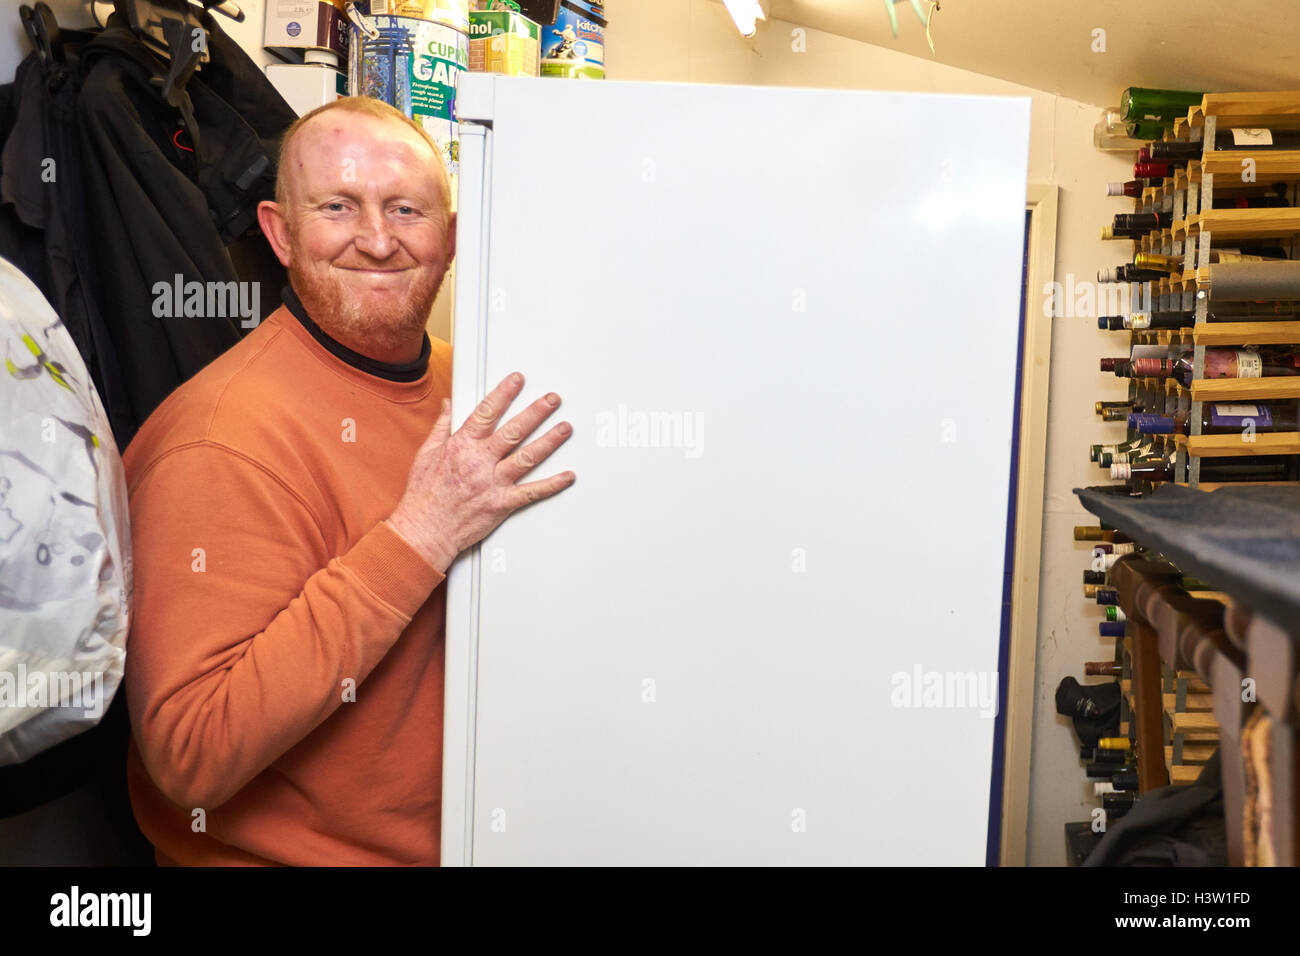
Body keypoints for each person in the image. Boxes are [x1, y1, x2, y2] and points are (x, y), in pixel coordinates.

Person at [121, 96, 575, 865]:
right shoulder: (219, 440)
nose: (377, 240)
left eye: (406, 210)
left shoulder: (474, 387)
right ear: (280, 234)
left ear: (454, 239)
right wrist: (420, 535)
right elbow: (190, 754)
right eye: (338, 206)